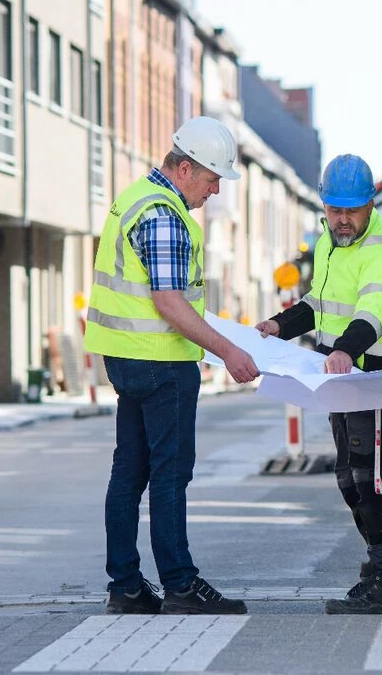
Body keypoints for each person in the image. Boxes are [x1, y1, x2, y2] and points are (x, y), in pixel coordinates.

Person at [85, 116, 259, 615]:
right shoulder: (164, 215)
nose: (215, 191)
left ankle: (125, 586)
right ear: (184, 169)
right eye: (211, 179)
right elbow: (169, 301)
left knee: (129, 472)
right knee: (169, 475)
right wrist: (228, 350)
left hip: (125, 359)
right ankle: (181, 583)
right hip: (162, 363)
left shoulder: (136, 196)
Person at [254, 154, 382, 615]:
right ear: (324, 206)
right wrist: (278, 325)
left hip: (377, 381)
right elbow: (318, 303)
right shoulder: (329, 243)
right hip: (341, 382)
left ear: (370, 205)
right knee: (349, 479)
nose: (343, 220)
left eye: (353, 210)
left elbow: (372, 313)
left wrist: (345, 349)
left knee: (373, 480)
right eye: (335, 210)